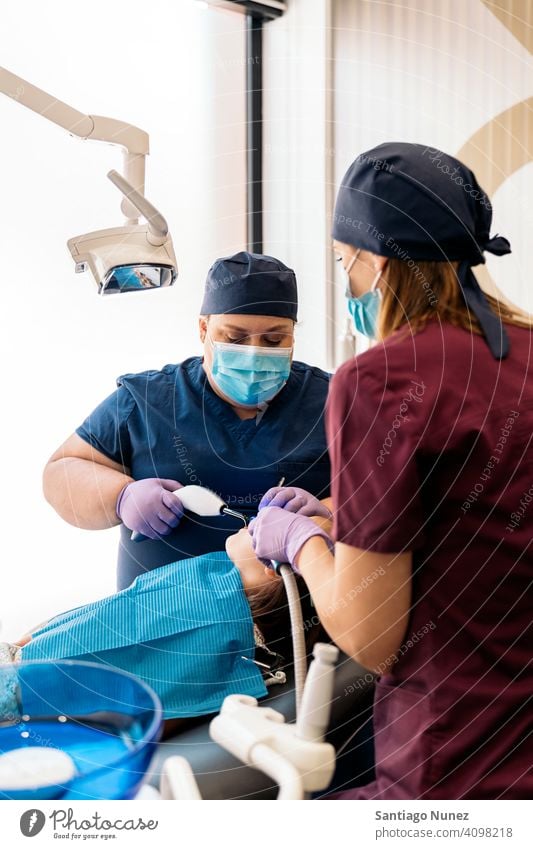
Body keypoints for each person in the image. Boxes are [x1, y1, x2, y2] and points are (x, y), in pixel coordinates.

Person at [249, 142, 533, 800]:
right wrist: (347, 519)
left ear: (372, 260)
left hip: (460, 764)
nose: (345, 281)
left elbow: (372, 637)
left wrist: (304, 542)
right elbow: (485, 523)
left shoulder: (377, 382)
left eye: (342, 264)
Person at [42, 251, 331, 590]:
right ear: (203, 328)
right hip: (158, 625)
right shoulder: (149, 399)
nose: (253, 353)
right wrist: (121, 496)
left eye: (273, 339)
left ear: (293, 336)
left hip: (297, 629)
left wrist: (328, 514)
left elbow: (395, 498)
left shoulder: (337, 401)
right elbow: (61, 472)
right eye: (235, 338)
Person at [1, 520, 326, 736]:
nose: (255, 518)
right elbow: (84, 624)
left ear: (272, 566)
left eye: (265, 520)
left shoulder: (213, 614)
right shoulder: (209, 581)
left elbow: (145, 716)